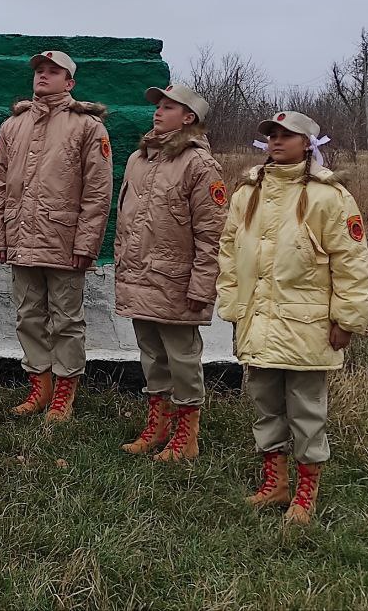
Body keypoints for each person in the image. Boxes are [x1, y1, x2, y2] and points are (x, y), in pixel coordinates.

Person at [216, 111, 368, 525]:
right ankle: (275, 482)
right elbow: (230, 252)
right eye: (272, 134)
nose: (277, 141)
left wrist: (347, 318)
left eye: (288, 136)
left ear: (308, 143)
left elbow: (351, 261)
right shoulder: (247, 192)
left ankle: (306, 492)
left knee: (306, 409)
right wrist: (233, 306)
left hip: (307, 324)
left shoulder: (328, 197)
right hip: (259, 319)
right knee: (265, 402)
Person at [0, 51, 113, 423]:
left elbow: (97, 191)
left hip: (63, 240)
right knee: (28, 315)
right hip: (20, 237)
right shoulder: (13, 125)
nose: (43, 75)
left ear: (69, 82)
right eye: (39, 70)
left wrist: (87, 244)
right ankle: (39, 387)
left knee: (66, 319)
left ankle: (64, 392)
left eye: (53, 71)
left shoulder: (88, 127)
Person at [115, 83, 226, 461]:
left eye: (167, 107)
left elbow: (212, 234)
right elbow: (126, 221)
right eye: (157, 107)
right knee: (151, 354)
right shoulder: (138, 159)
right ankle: (158, 425)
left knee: (182, 358)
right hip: (139, 276)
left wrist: (202, 284)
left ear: (189, 117)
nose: (157, 112)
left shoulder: (200, 165)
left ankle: (186, 436)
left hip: (176, 281)